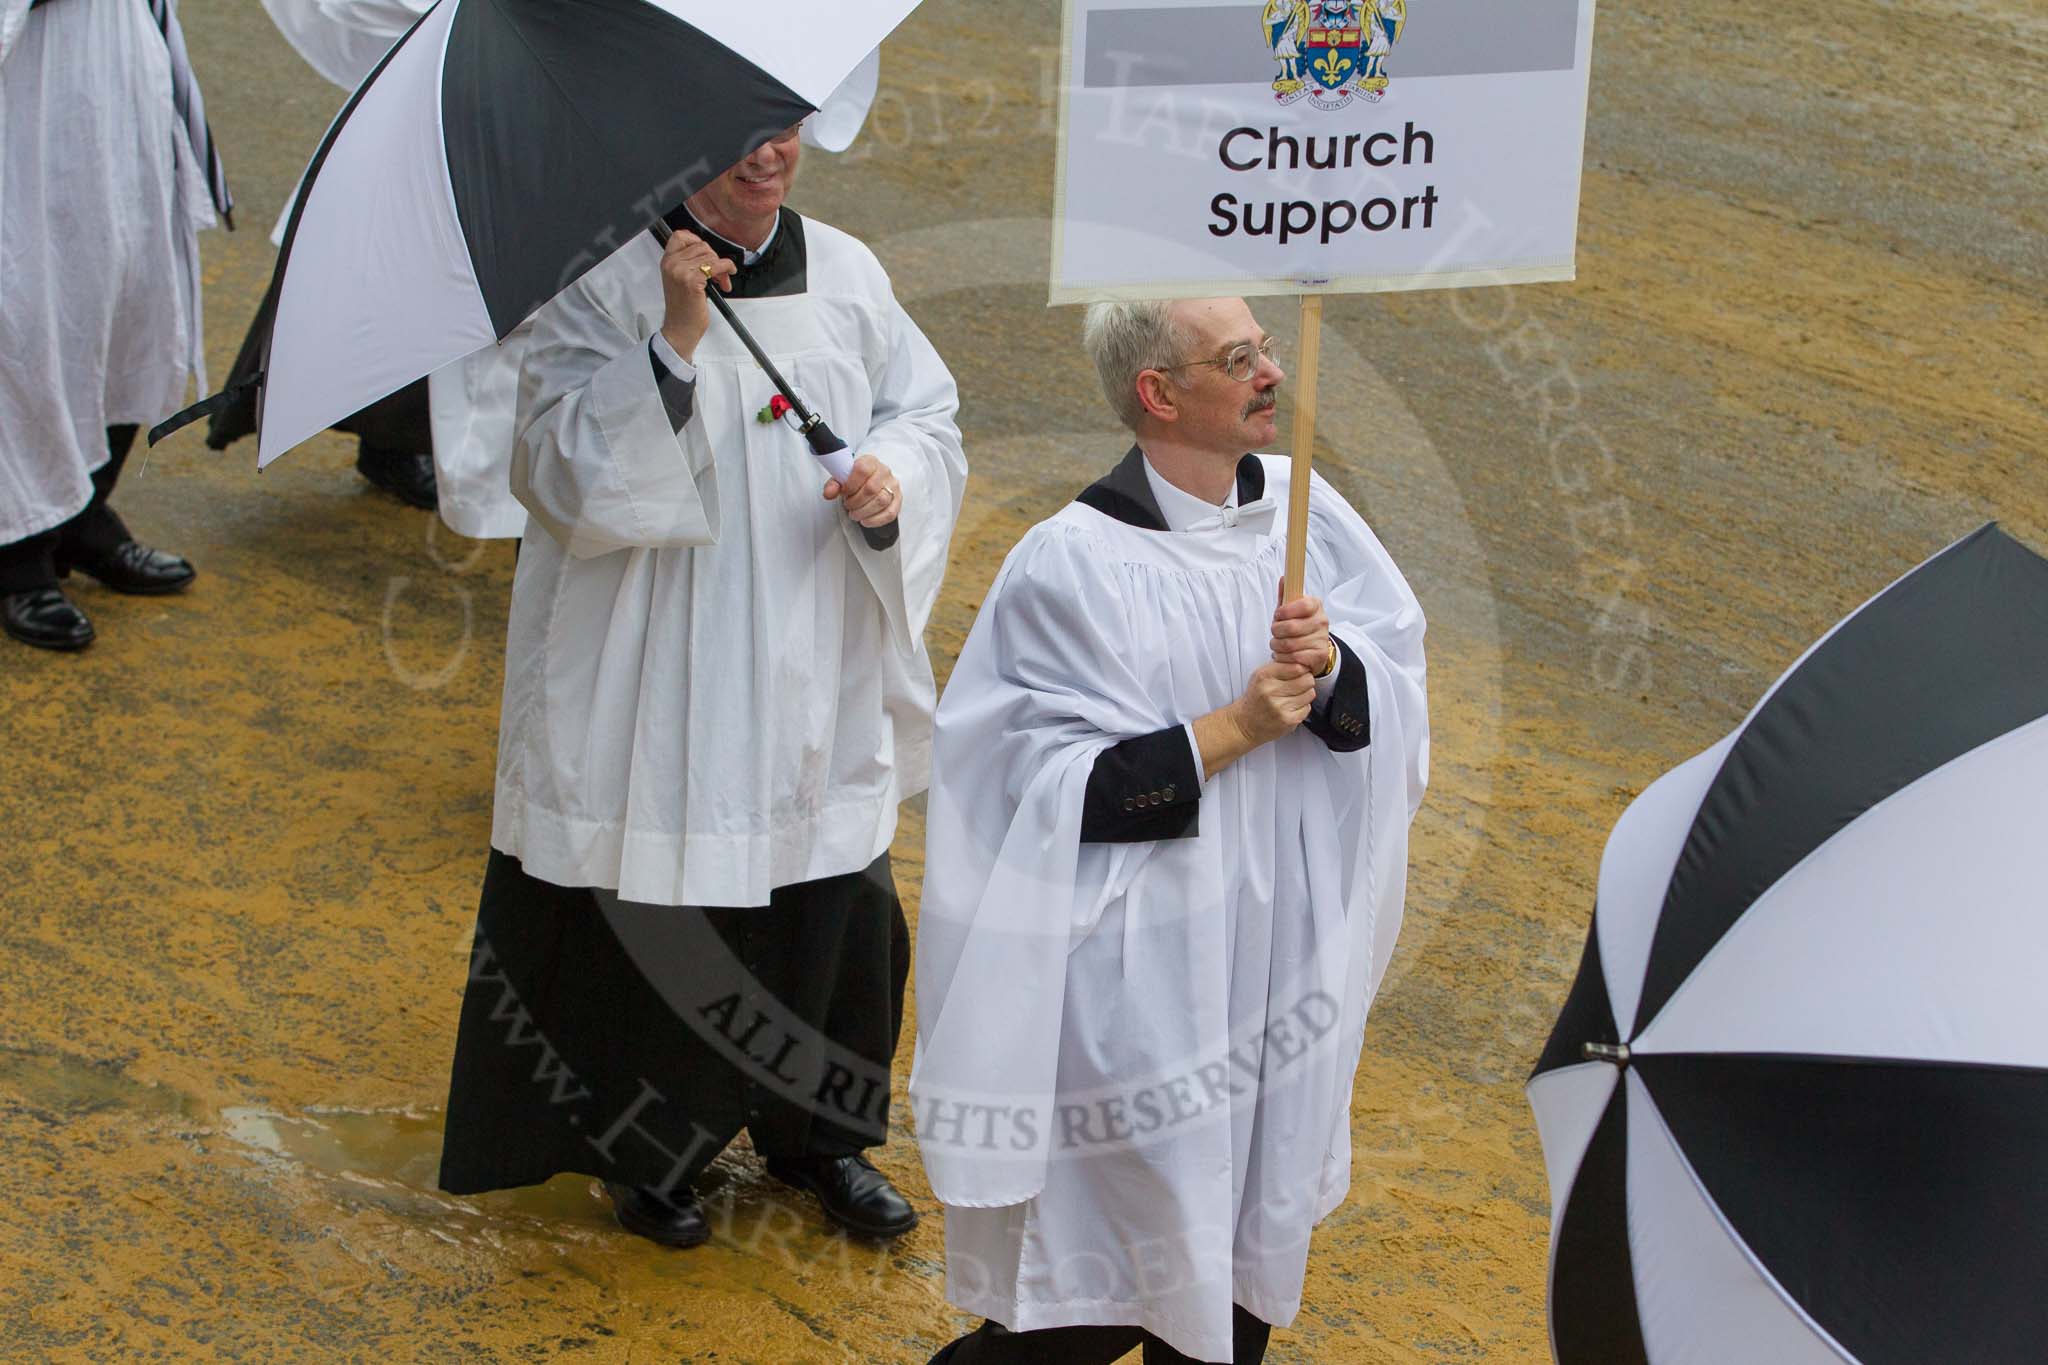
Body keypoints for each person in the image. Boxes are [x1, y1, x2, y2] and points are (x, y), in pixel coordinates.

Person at [436, 122, 967, 1250]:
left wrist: (893, 477)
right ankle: (653, 1151)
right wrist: (672, 345)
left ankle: (822, 1140)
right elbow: (556, 473)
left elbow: (926, 413)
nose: (763, 156)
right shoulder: (601, 283)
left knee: (831, 892)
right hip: (662, 652)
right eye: (731, 139)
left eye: (780, 130)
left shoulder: (847, 271)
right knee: (664, 901)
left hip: (810, 641)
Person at [913, 299, 1428, 1362]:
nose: (1270, 374)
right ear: (1157, 393)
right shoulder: (1069, 563)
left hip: (1276, 960)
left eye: (1265, 348)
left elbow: (1395, 679)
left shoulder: (1304, 515)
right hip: (1142, 977)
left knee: (1237, 1285)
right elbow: (1028, 788)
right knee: (1089, 1304)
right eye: (1237, 359)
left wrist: (1333, 668)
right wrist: (1230, 730)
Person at [0, 0, 229, 650]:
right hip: (25, 72)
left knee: (123, 286)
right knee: (22, 305)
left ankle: (78, 509)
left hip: (115, 50)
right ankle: (17, 550)